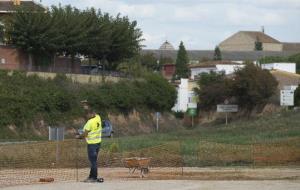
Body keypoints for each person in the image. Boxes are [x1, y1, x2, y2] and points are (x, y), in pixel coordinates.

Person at [76, 109, 103, 183]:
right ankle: (91, 176)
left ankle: (93, 177)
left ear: (91, 114)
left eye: (87, 115)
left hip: (92, 144)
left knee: (93, 161)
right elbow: (91, 110)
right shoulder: (98, 117)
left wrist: (78, 137)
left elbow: (85, 134)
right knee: (94, 161)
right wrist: (85, 105)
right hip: (98, 143)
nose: (86, 116)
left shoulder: (89, 122)